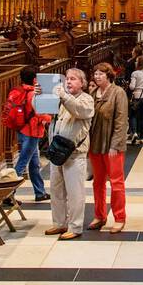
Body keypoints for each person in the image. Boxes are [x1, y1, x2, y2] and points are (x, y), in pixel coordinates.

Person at [45, 67, 93, 240]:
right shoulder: (61, 99)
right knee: (56, 191)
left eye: (73, 79)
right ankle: (59, 223)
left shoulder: (86, 100)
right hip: (57, 152)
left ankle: (75, 226)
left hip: (74, 154)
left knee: (75, 193)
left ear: (82, 83)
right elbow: (42, 111)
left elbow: (78, 111)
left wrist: (64, 96)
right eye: (67, 79)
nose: (69, 82)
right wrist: (39, 95)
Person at [87, 63, 129, 233]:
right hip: (95, 144)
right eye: (95, 74)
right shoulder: (92, 93)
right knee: (97, 182)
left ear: (109, 76)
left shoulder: (118, 93)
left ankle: (120, 217)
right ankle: (99, 215)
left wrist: (115, 144)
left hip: (112, 145)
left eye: (101, 74)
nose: (97, 77)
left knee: (116, 182)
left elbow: (121, 121)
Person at [7, 67, 51, 201]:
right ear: (35, 79)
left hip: (21, 130)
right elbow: (40, 113)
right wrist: (50, 118)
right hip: (32, 132)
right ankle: (8, 194)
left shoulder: (18, 91)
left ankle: (40, 192)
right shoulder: (33, 94)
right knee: (21, 164)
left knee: (34, 163)